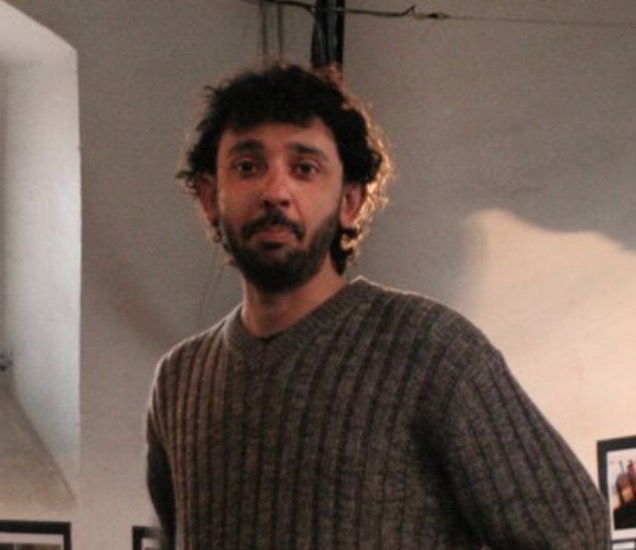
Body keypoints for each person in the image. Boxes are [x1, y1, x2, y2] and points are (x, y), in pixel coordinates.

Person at [145, 62, 610, 549]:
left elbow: (573, 535)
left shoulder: (433, 350)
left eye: (305, 169)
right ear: (209, 197)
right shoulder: (180, 381)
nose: (275, 192)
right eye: (247, 166)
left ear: (351, 202)